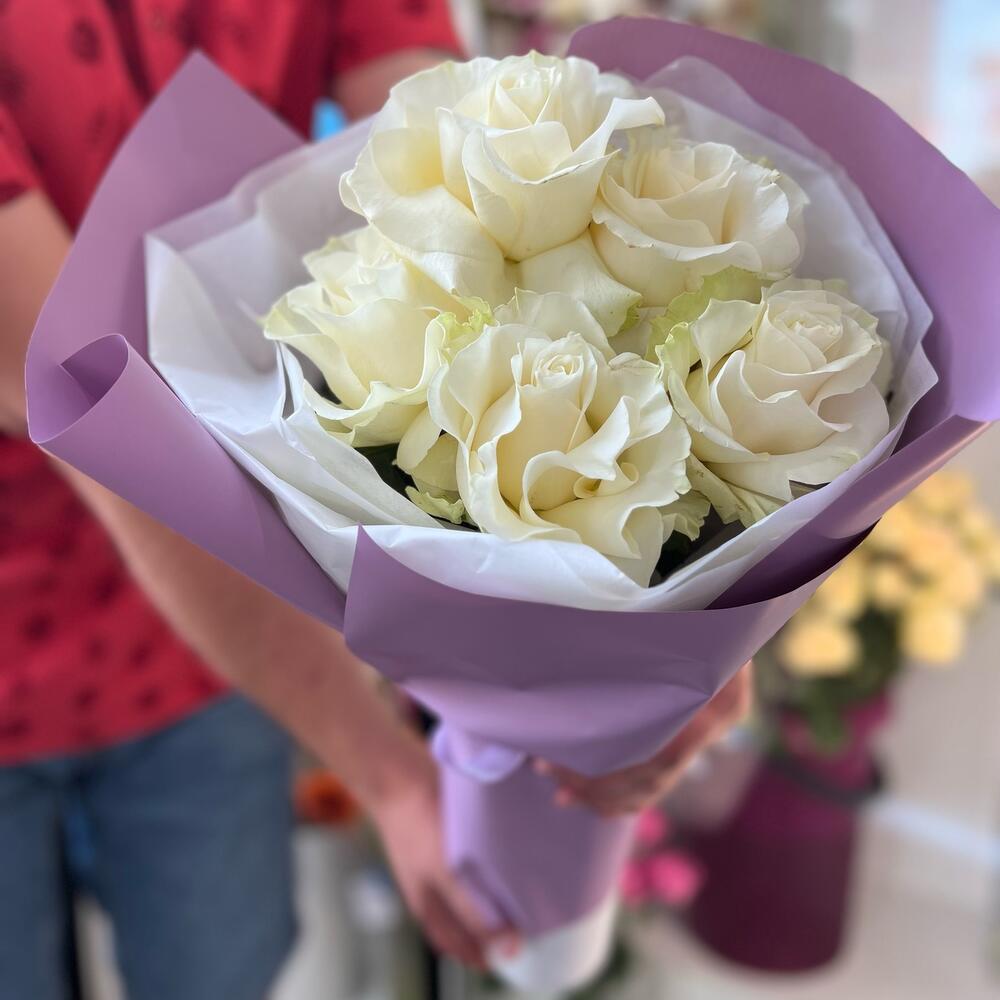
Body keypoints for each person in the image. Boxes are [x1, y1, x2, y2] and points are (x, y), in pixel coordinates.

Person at [0, 3, 751, 998]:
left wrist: (686, 569)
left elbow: (449, 165)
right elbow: (74, 397)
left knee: (219, 968)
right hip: (100, 616)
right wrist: (390, 773)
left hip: (206, 662)